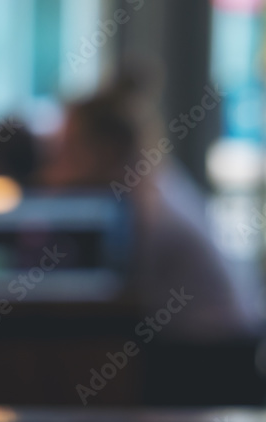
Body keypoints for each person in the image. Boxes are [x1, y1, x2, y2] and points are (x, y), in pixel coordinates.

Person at [38, 73, 254, 341]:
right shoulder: (158, 185)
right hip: (216, 353)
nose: (54, 166)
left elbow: (115, 304)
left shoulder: (146, 211)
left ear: (105, 151)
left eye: (67, 149)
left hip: (208, 361)